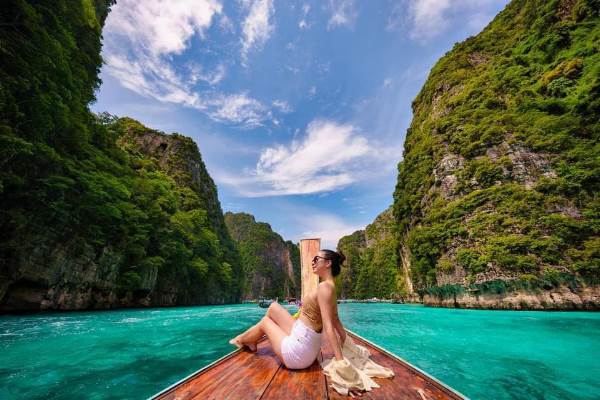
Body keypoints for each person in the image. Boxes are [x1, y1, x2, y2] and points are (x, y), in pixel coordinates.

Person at [229, 249, 347, 369]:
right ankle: (250, 340)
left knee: (265, 322)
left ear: (328, 263)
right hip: (302, 337)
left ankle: (242, 339)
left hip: (299, 354)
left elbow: (329, 326)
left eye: (316, 259)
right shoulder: (330, 286)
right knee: (273, 307)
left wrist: (341, 362)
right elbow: (335, 318)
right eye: (312, 260)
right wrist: (346, 342)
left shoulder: (324, 287)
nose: (312, 262)